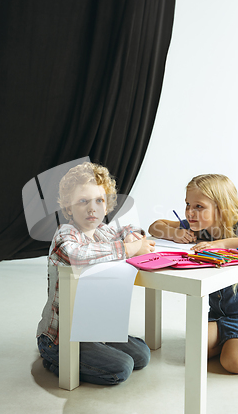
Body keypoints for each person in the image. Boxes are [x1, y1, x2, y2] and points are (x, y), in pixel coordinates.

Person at [37, 161, 156, 385]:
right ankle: (56, 360)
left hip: (93, 327)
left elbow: (125, 229)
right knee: (122, 367)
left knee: (142, 355)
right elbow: (77, 255)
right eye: (83, 201)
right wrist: (128, 249)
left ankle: (98, 346)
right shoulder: (66, 235)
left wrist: (133, 235)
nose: (92, 208)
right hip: (61, 337)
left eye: (99, 200)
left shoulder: (102, 231)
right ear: (69, 207)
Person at [148, 174, 238, 374]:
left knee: (233, 363)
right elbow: (155, 226)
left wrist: (222, 244)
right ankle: (231, 341)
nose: (190, 212)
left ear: (221, 207)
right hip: (219, 315)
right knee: (193, 350)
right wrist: (174, 234)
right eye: (187, 205)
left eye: (198, 206)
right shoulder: (199, 227)